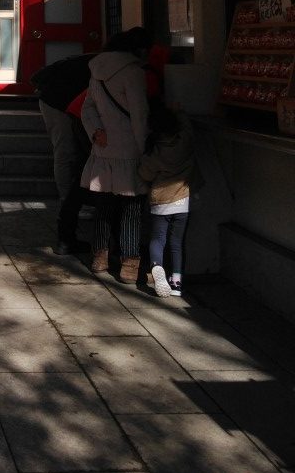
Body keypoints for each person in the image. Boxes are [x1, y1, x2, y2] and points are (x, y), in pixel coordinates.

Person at [80, 27, 150, 282]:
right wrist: (145, 151)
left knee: (104, 208)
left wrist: (95, 132)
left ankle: (99, 258)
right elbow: (139, 117)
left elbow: (87, 108)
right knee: (131, 210)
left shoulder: (96, 72)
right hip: (129, 150)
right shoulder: (133, 73)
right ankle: (129, 266)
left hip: (103, 149)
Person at [32, 53, 94, 255]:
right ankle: (67, 199)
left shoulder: (96, 62)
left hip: (57, 96)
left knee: (69, 152)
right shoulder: (107, 67)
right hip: (56, 100)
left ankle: (71, 202)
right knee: (65, 151)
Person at [139, 96, 196, 297]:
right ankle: (177, 283)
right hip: (182, 200)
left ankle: (156, 267)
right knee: (177, 243)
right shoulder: (186, 141)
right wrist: (178, 112)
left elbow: (145, 174)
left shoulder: (154, 151)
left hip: (160, 201)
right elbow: (188, 128)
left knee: (157, 239)